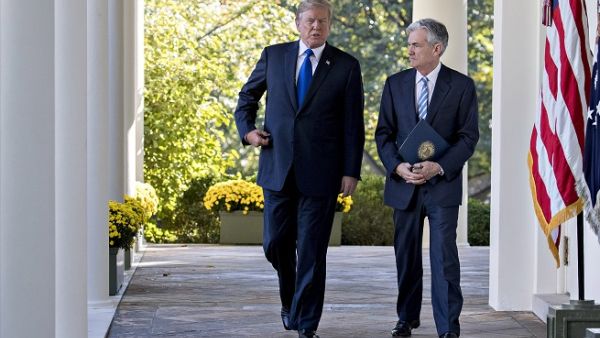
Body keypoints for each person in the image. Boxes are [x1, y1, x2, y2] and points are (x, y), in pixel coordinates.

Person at [234, 1, 365, 337]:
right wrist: (248, 132)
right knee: (275, 243)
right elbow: (247, 97)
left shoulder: (346, 66)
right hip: (277, 167)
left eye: (322, 22)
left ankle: (306, 326)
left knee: (311, 251)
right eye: (310, 21)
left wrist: (351, 170)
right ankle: (290, 300)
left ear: (330, 25)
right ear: (297, 23)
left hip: (321, 174)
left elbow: (354, 124)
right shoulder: (273, 56)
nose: (316, 27)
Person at [375, 18, 479, 338]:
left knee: (444, 257)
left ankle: (448, 327)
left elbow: (467, 137)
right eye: (409, 44)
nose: (409, 50)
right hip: (403, 184)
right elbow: (384, 134)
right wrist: (396, 167)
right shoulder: (394, 83)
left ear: (437, 48)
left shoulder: (462, 86)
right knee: (406, 256)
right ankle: (406, 318)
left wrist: (439, 167)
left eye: (416, 44)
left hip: (442, 186)